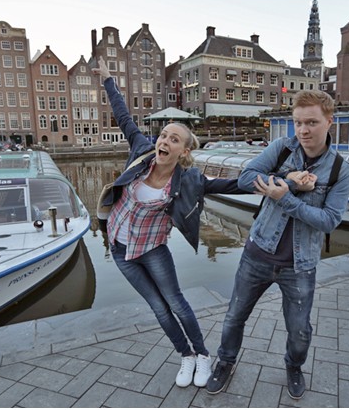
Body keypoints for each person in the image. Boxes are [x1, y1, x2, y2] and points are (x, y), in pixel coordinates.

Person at [94, 57, 246, 388]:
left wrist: (280, 182)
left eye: (174, 139)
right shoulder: (142, 151)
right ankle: (185, 355)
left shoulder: (188, 179)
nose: (165, 141)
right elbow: (123, 116)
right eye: (163, 135)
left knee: (176, 303)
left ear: (184, 152)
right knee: (158, 308)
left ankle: (202, 355)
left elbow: (232, 184)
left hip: (152, 250)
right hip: (120, 249)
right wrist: (108, 80)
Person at [206, 89, 349, 400]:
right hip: (257, 254)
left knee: (299, 330)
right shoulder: (282, 149)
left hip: (300, 265)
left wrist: (285, 198)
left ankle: (294, 366)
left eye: (311, 122)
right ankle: (225, 361)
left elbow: (329, 221)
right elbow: (245, 178)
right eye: (298, 122)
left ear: (329, 121)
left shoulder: (340, 170)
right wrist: (289, 182)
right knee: (234, 316)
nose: (303, 130)